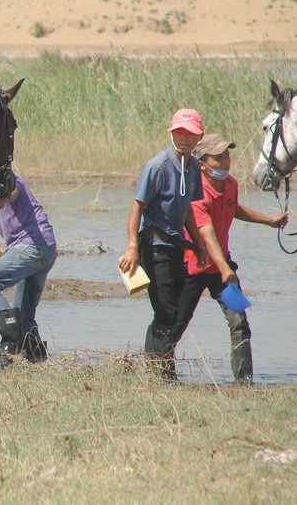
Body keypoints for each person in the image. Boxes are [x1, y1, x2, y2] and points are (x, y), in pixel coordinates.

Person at [173, 134, 288, 385]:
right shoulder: (195, 193)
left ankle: (243, 381)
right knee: (176, 323)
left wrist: (269, 220)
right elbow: (207, 236)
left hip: (222, 270)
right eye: (218, 157)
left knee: (239, 322)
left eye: (227, 155)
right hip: (193, 268)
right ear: (202, 163)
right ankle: (160, 372)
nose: (225, 162)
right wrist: (225, 269)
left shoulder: (231, 184)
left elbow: (233, 208)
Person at [118, 108, 208, 380]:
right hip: (154, 245)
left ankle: (159, 368)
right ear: (171, 133)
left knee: (174, 310)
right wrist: (132, 247)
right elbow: (137, 207)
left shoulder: (193, 167)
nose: (184, 138)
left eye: (190, 134)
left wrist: (198, 244)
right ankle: (160, 372)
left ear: (198, 137)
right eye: (179, 132)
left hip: (177, 246)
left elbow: (188, 209)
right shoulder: (157, 166)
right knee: (166, 310)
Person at [0, 161, 56, 362]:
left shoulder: (6, 181)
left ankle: (11, 341)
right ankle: (37, 357)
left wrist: (1, 195)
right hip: (44, 248)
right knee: (25, 315)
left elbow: (12, 191)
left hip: (32, 246)